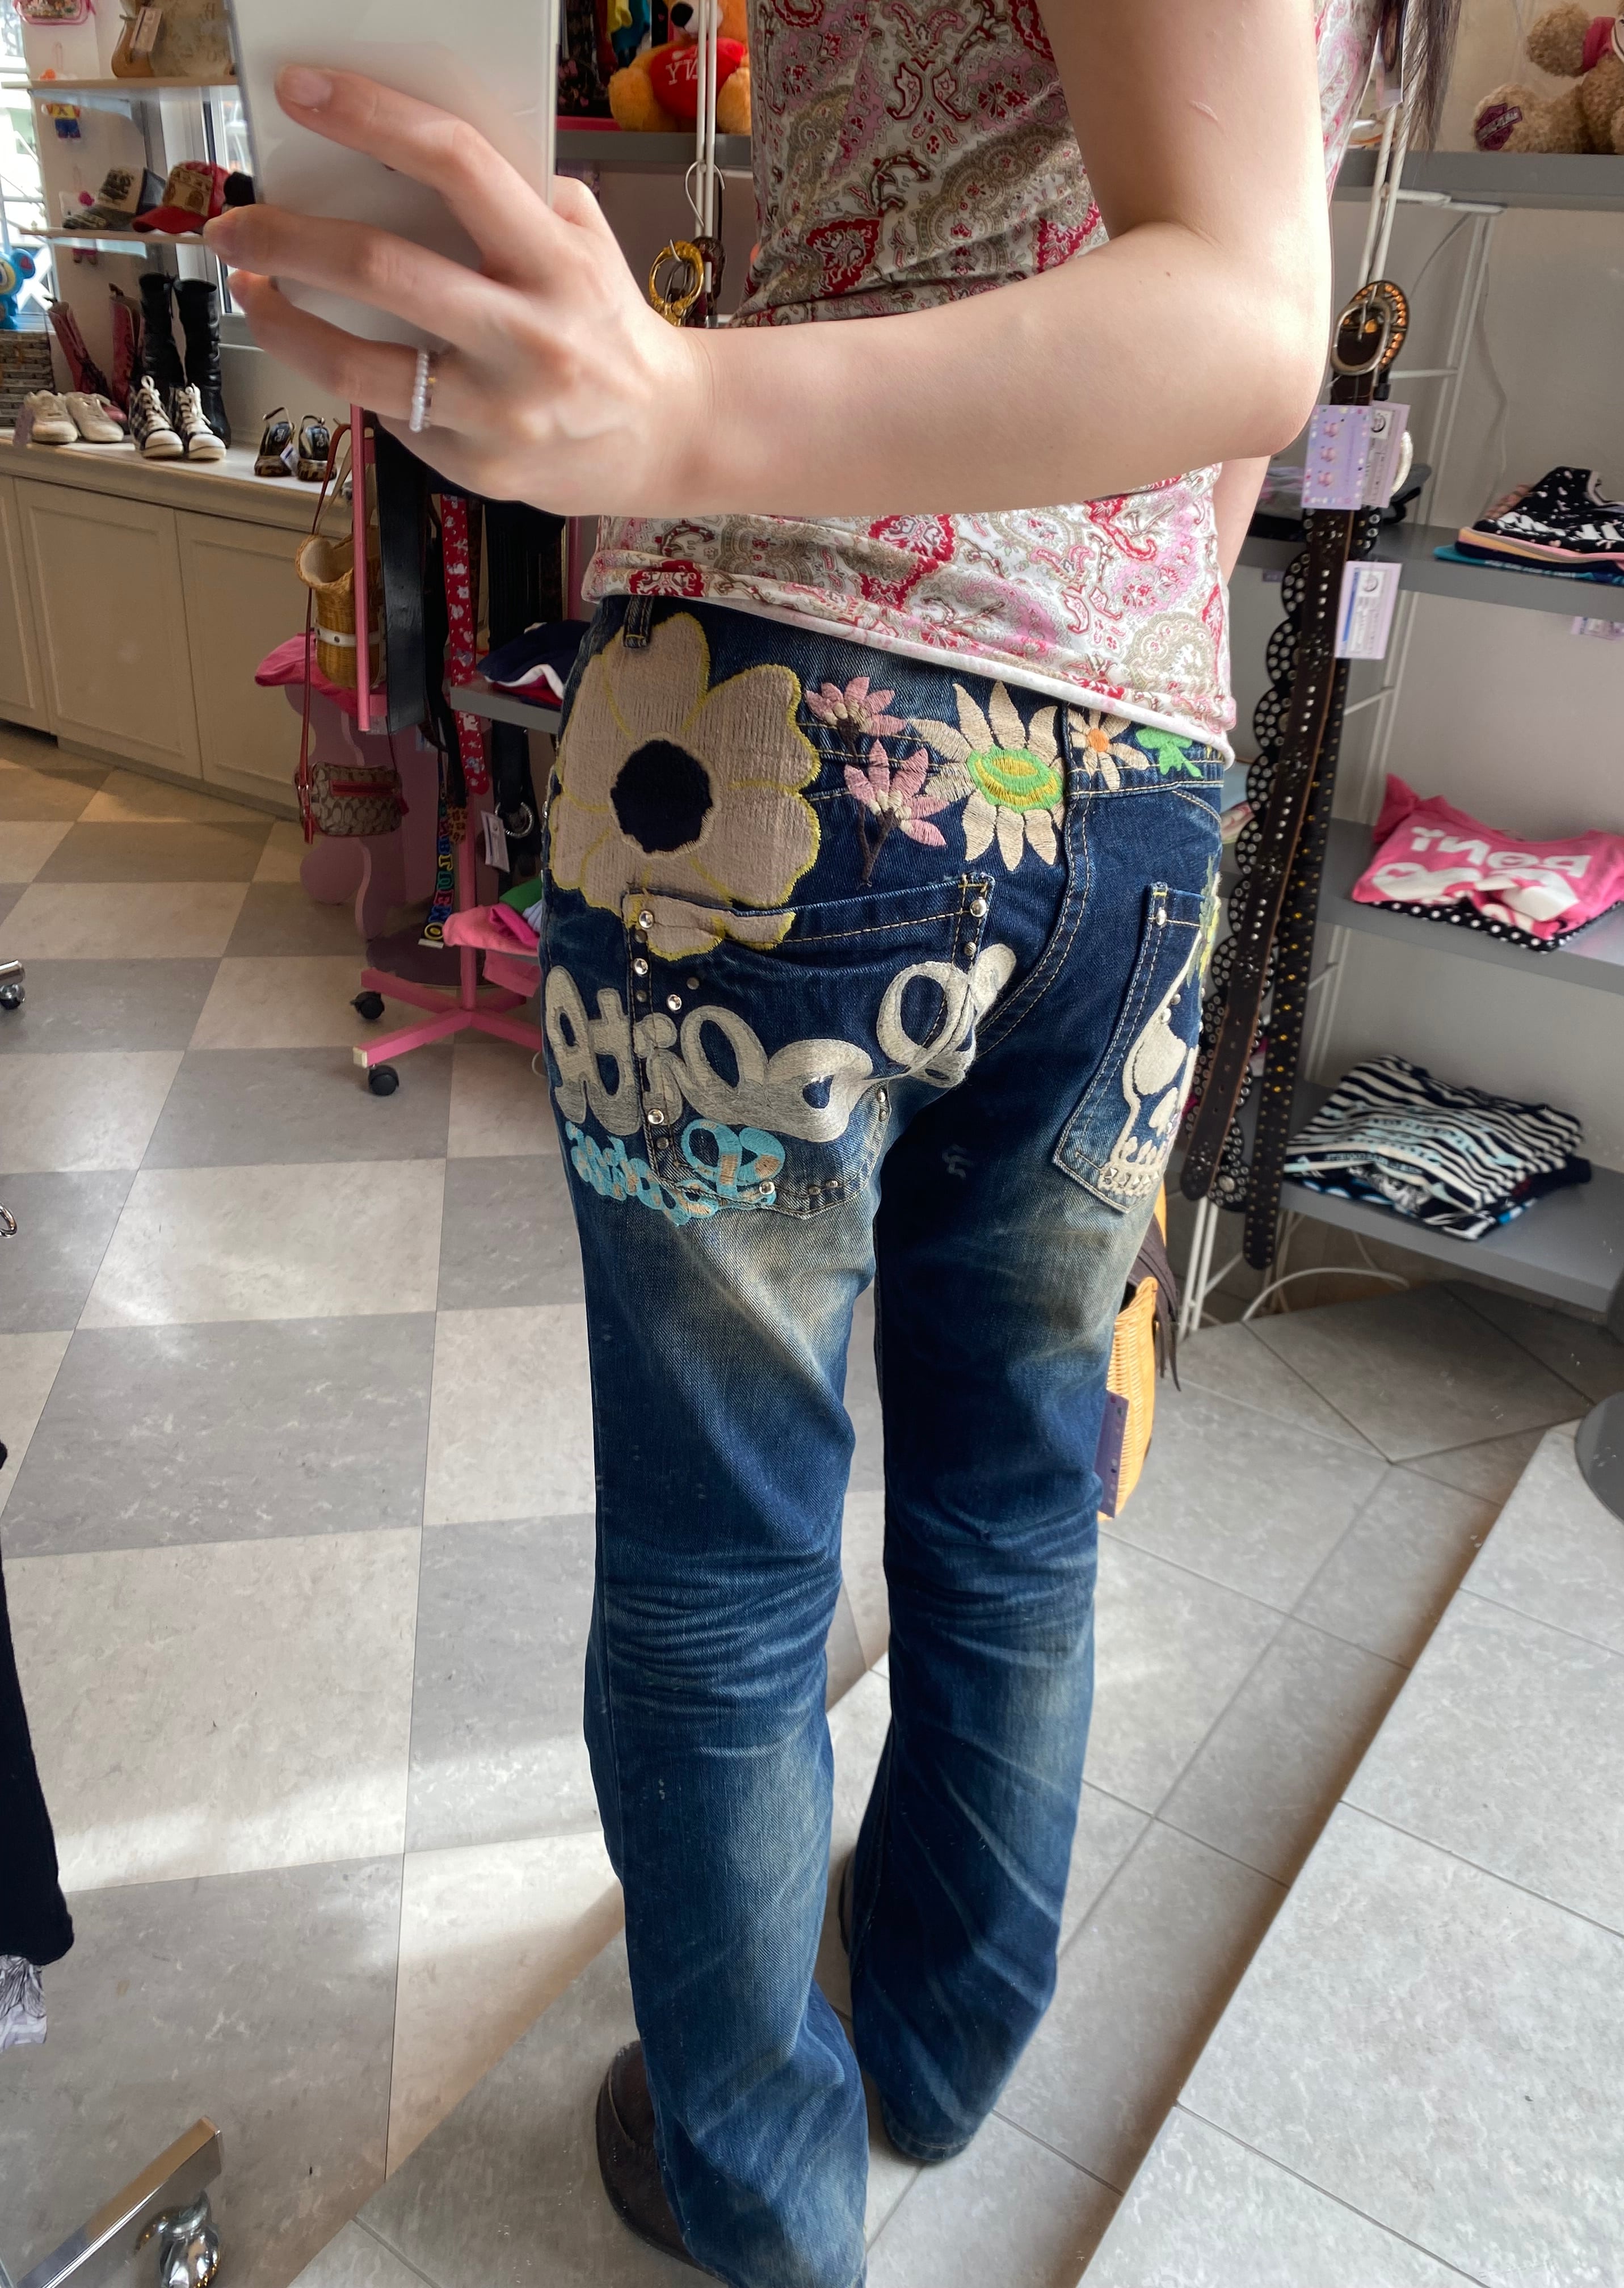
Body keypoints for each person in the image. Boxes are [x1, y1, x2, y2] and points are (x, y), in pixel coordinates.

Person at [207, 4, 1456, 2280]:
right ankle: (942, 2042)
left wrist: (680, 407)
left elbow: (1242, 314)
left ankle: (767, 2197)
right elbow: (1229, 312)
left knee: (725, 1564)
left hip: (777, 731)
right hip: (1137, 774)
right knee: (1017, 1499)